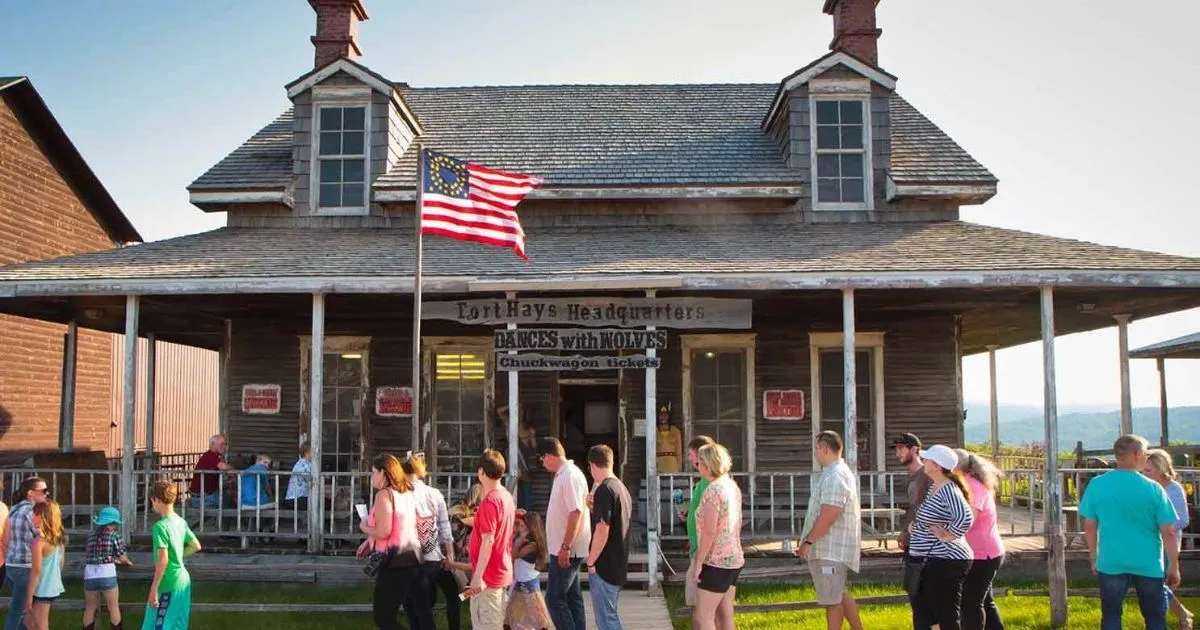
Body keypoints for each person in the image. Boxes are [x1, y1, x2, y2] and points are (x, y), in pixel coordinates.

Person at [1080, 435, 1181, 630]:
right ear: (1136, 454)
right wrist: (1173, 565)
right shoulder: (1154, 489)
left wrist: (1094, 557)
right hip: (1148, 561)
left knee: (1111, 614)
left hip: (1111, 560)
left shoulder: (1097, 485)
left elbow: (1090, 526)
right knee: (1155, 616)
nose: (1146, 457)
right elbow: (1168, 531)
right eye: (1145, 452)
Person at [797, 431, 863, 630]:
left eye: (816, 448)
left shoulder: (836, 476)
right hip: (830, 549)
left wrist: (807, 542)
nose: (815, 452)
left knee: (832, 602)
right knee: (839, 593)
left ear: (825, 448)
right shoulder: (833, 473)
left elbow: (828, 515)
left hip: (830, 550)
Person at [907, 444, 974, 630]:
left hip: (945, 559)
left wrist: (948, 535)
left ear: (936, 465)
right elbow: (933, 516)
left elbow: (965, 517)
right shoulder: (935, 487)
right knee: (925, 611)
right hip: (930, 559)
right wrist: (917, 526)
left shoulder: (947, 489)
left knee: (944, 613)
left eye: (927, 459)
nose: (924, 461)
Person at [358, 453, 422, 630]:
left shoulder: (384, 495)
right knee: (402, 612)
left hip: (393, 562)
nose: (371, 477)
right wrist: (368, 541)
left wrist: (364, 527)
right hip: (411, 558)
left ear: (383, 473)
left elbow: (384, 531)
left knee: (383, 617)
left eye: (373, 472)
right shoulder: (406, 492)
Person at [689, 443, 744, 630]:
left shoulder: (712, 490)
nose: (697, 465)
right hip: (734, 558)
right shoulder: (731, 485)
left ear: (708, 464)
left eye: (699, 462)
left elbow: (709, 531)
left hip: (715, 561)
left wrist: (698, 562)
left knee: (704, 616)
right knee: (725, 613)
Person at [539, 436, 592, 630]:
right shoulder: (564, 474)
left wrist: (565, 547)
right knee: (572, 598)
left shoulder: (569, 475)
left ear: (549, 456)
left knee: (554, 600)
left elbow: (575, 511)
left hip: (567, 548)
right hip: (564, 547)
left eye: (542, 459)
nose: (542, 463)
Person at [954, 449, 1005, 630]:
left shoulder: (972, 486)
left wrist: (946, 532)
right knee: (984, 600)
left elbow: (968, 519)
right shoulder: (969, 483)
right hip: (981, 551)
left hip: (983, 554)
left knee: (971, 603)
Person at [402, 451, 455, 630]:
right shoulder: (434, 494)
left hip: (410, 558)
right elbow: (444, 527)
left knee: (415, 607)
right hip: (433, 557)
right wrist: (450, 554)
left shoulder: (401, 494)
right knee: (424, 604)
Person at [1145, 448, 1194, 630]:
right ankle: (1181, 614)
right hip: (1150, 542)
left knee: (1160, 584)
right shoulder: (1148, 488)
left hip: (1168, 543)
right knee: (1156, 583)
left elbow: (1183, 518)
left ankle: (1165, 619)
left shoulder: (1174, 489)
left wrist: (1165, 526)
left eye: (1148, 470)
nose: (1145, 474)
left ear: (1161, 469)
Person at [467, 449, 516, 630]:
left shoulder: (490, 501)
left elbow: (488, 540)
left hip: (487, 577)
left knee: (486, 625)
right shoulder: (506, 496)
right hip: (497, 572)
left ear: (481, 472)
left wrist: (478, 576)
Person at [585, 444, 632, 630]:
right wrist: (593, 508)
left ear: (592, 466)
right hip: (618, 561)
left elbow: (602, 530)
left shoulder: (604, 490)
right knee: (608, 616)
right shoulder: (621, 488)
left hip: (604, 565)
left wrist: (590, 561)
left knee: (606, 619)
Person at [144, 480, 201, 630]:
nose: (152, 503)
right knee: (177, 624)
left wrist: (154, 589)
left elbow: (163, 559)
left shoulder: (160, 527)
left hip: (169, 580)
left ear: (157, 499)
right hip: (183, 580)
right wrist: (179, 556)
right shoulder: (180, 522)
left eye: (152, 500)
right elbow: (196, 545)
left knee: (158, 624)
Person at [892, 433, 932, 628]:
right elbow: (913, 509)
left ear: (915, 449)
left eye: (901, 448)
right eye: (896, 448)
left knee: (926, 599)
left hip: (928, 546)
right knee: (915, 596)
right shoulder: (911, 477)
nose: (897, 452)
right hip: (913, 542)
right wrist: (904, 533)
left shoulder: (928, 475)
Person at [2, 476, 49, 630]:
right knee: (18, 611)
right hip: (26, 565)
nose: (46, 494)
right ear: (30, 493)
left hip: (11, 564)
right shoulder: (31, 512)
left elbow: (7, 539)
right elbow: (42, 536)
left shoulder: (13, 509)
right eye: (43, 490)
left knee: (25, 609)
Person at [677, 434, 716, 607]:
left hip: (706, 554)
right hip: (699, 550)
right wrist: (688, 516)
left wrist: (700, 559)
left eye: (692, 455)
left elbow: (710, 526)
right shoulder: (702, 482)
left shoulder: (710, 484)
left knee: (701, 610)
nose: (690, 459)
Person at [83, 505, 133, 630]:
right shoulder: (114, 536)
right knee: (113, 607)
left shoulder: (91, 536)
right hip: (106, 573)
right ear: (113, 522)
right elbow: (122, 557)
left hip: (90, 573)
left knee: (90, 608)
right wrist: (126, 562)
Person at [505, 510, 553, 630]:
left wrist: (518, 542)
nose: (520, 529)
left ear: (531, 528)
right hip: (520, 582)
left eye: (523, 526)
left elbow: (514, 555)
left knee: (536, 619)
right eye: (519, 525)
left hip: (529, 584)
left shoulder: (532, 545)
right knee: (513, 616)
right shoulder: (523, 539)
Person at [26, 500, 66, 630]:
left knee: (41, 624)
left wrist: (29, 596)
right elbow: (61, 563)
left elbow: (36, 571)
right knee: (30, 623)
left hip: (42, 588)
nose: (32, 517)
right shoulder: (59, 540)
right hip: (52, 586)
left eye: (34, 514)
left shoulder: (39, 543)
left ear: (42, 517)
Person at [190, 434, 234, 509]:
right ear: (212, 445)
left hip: (207, 495)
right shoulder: (210, 455)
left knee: (229, 496)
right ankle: (225, 519)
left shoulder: (215, 456)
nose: (224, 447)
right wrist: (237, 471)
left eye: (225, 444)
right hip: (202, 499)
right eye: (222, 444)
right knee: (231, 501)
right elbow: (223, 467)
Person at [655, 403, 683, 474]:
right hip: (659, 463)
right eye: (661, 415)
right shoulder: (654, 431)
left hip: (672, 464)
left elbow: (679, 451)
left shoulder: (676, 431)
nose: (663, 417)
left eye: (665, 415)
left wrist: (679, 467)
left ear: (669, 416)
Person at [284, 444, 312, 511]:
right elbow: (312, 480)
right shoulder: (305, 464)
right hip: (297, 499)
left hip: (292, 499)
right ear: (307, 452)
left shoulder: (300, 463)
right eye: (313, 451)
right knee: (321, 504)